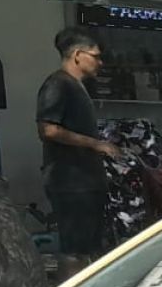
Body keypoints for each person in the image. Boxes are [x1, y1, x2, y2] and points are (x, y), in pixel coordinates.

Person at [36, 26, 122, 269]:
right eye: (95, 56)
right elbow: (48, 130)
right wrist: (96, 144)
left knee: (90, 251)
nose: (100, 62)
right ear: (77, 55)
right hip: (71, 182)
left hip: (87, 181)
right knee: (75, 253)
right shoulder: (57, 85)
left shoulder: (78, 87)